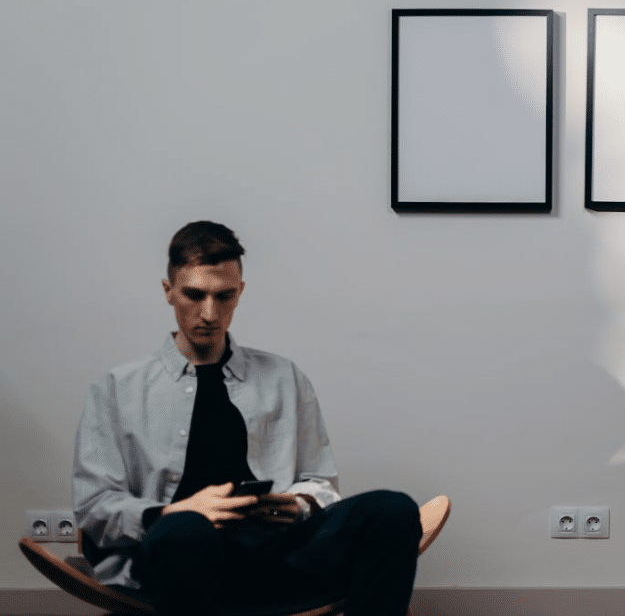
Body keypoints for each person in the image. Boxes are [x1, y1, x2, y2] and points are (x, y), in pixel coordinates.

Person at [73, 221, 422, 616]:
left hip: (279, 551)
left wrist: (301, 502)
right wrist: (171, 512)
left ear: (239, 293)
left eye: (224, 296)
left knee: (394, 510)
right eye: (194, 295)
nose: (209, 313)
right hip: (182, 557)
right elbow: (95, 506)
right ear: (168, 292)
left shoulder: (283, 377)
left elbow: (320, 480)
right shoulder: (117, 388)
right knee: (186, 531)